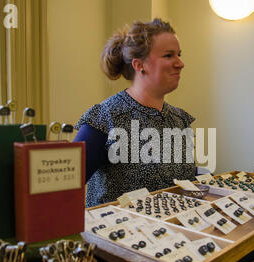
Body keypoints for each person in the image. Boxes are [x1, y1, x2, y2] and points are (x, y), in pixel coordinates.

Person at [74, 18, 196, 207]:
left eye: (179, 54)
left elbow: (186, 181)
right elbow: (64, 188)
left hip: (177, 232)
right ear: (140, 65)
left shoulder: (180, 120)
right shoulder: (105, 118)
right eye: (168, 55)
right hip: (117, 233)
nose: (180, 63)